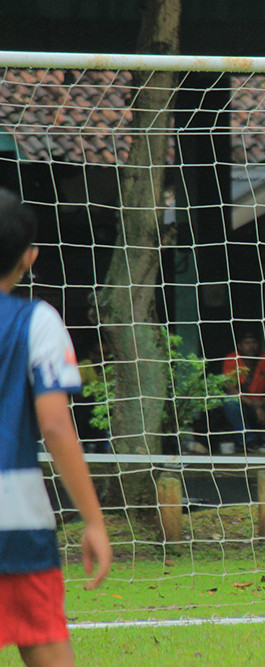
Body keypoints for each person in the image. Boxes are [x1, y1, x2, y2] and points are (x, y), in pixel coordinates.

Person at [0, 188, 112, 666]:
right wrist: (94, 521)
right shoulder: (37, 321)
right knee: (45, 644)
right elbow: (56, 427)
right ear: (30, 257)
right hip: (15, 521)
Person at [221, 329, 265, 453]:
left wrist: (264, 401)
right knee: (229, 402)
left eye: (254, 342)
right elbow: (230, 389)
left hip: (264, 404)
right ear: (240, 346)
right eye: (247, 343)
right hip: (244, 405)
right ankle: (249, 441)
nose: (251, 346)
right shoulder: (232, 359)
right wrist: (254, 406)